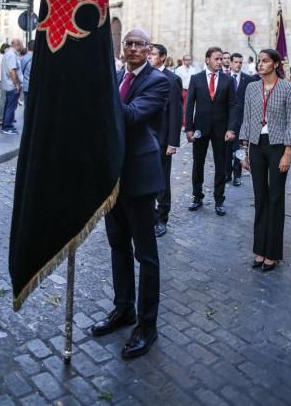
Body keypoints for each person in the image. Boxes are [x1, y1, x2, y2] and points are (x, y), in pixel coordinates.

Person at [91, 28, 169, 360]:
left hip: (139, 178)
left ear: (149, 49)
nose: (133, 48)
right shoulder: (116, 76)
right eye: (128, 43)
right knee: (118, 247)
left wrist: (100, 88)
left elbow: (132, 116)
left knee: (145, 255)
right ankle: (123, 309)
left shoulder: (158, 81)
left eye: (139, 44)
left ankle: (146, 326)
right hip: (113, 177)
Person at [239, 48, 291, 271]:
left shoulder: (287, 88)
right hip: (256, 146)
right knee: (260, 198)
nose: (260, 65)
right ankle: (259, 249)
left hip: (277, 147)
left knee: (275, 198)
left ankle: (272, 253)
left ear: (275, 64)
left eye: (265, 61)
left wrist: (287, 153)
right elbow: (246, 118)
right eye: (259, 61)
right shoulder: (251, 87)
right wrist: (245, 152)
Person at [185, 47, 237, 216]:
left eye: (221, 59)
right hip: (200, 128)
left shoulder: (228, 80)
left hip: (221, 130)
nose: (220, 62)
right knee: (197, 163)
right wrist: (189, 128)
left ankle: (219, 200)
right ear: (207, 60)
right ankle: (197, 196)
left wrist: (231, 128)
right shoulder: (196, 79)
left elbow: (232, 106)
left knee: (221, 165)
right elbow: (189, 105)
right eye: (217, 59)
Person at [148, 43, 183, 237]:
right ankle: (149, 215)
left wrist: (172, 142)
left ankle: (162, 218)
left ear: (162, 57)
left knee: (161, 179)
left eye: (153, 54)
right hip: (144, 136)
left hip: (162, 138)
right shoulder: (144, 75)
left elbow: (176, 113)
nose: (149, 57)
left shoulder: (173, 79)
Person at [227, 53, 255, 186]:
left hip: (242, 118)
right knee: (226, 147)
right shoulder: (224, 78)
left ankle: (237, 175)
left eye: (240, 62)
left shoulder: (248, 79)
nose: (238, 64)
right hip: (227, 119)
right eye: (236, 62)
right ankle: (227, 172)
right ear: (231, 63)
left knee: (239, 147)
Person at [1, 39, 23, 134]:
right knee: (11, 106)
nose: (22, 47)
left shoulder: (9, 53)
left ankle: (7, 125)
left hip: (9, 84)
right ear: (17, 45)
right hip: (11, 84)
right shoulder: (11, 54)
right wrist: (16, 84)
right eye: (21, 45)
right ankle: (7, 126)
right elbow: (12, 71)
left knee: (9, 105)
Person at [175, 54, 197, 128]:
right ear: (183, 60)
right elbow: (177, 80)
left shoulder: (193, 69)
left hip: (190, 89)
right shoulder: (179, 69)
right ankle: (182, 123)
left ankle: (187, 123)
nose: (188, 61)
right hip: (182, 89)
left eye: (189, 60)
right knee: (182, 107)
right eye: (187, 60)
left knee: (189, 107)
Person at [20, 40, 34, 110]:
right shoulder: (37, 58)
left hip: (26, 85)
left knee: (27, 107)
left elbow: (20, 72)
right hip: (35, 87)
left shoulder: (23, 58)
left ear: (28, 48)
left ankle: (26, 120)